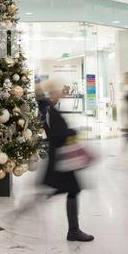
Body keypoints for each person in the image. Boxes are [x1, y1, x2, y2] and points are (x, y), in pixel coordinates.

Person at [36, 80, 94, 242]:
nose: (59, 94)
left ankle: (73, 229)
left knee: (69, 189)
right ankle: (74, 231)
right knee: (74, 189)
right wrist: (74, 131)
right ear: (50, 94)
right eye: (56, 91)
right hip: (61, 158)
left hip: (59, 157)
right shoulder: (49, 111)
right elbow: (57, 135)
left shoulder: (47, 108)